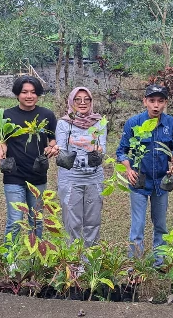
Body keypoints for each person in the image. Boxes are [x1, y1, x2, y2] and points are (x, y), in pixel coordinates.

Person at [116, 84, 173, 266]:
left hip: (161, 182)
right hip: (139, 181)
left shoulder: (170, 124)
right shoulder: (134, 123)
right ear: (144, 101)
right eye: (152, 101)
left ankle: (159, 261)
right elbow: (121, 151)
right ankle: (137, 264)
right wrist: (128, 169)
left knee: (160, 225)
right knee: (138, 226)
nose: (156, 106)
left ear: (165, 103)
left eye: (160, 101)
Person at [0, 76, 58, 241]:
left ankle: (34, 258)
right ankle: (10, 259)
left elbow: (52, 138)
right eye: (24, 92)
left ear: (38, 95)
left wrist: (51, 147)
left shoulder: (47, 115)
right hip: (13, 175)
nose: (29, 96)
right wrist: (0, 151)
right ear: (17, 94)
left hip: (38, 175)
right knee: (15, 220)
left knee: (36, 219)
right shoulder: (7, 115)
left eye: (33, 92)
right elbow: (2, 141)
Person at [56, 87, 106, 247]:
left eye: (87, 99)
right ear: (71, 101)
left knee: (93, 222)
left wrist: (96, 150)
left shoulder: (99, 123)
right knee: (72, 223)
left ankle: (90, 262)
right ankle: (74, 265)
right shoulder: (64, 123)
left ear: (92, 101)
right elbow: (62, 151)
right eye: (78, 99)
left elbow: (102, 149)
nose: (83, 103)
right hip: (71, 180)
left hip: (94, 179)